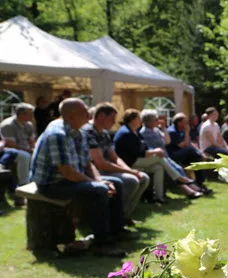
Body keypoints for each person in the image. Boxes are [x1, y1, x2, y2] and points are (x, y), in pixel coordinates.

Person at [30, 98, 125, 256]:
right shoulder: (58, 134)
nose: (89, 114)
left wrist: (100, 180)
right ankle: (102, 244)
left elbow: (87, 163)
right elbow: (68, 172)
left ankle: (116, 231)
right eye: (84, 111)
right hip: (52, 184)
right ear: (71, 115)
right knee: (99, 191)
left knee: (116, 183)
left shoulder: (78, 131)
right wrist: (97, 184)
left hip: (68, 179)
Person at [114, 109, 202, 203]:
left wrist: (155, 148)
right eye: (138, 118)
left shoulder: (135, 131)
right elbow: (137, 153)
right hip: (129, 163)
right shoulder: (127, 133)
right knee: (159, 158)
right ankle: (179, 178)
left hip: (139, 159)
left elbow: (160, 144)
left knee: (158, 167)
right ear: (132, 120)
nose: (140, 121)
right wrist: (154, 151)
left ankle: (159, 197)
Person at [83, 103, 150, 225]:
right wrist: (130, 172)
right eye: (112, 119)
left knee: (143, 178)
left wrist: (130, 170)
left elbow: (115, 157)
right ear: (102, 116)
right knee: (132, 180)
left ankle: (124, 216)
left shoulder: (103, 133)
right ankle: (116, 219)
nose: (114, 122)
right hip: (93, 172)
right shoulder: (88, 132)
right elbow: (100, 164)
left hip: (106, 169)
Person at [0, 103, 36, 205]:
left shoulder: (29, 125)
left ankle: (36, 184)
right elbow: (10, 145)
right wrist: (28, 150)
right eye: (30, 114)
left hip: (25, 149)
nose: (32, 116)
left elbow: (32, 140)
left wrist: (34, 149)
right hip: (9, 151)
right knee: (25, 156)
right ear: (21, 114)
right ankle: (23, 186)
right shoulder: (8, 125)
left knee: (36, 155)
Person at [167, 113, 210, 188]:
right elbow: (183, 145)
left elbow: (189, 143)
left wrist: (200, 153)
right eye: (185, 122)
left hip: (184, 154)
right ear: (179, 123)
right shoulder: (172, 131)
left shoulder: (182, 130)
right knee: (191, 150)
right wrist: (187, 132)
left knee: (197, 159)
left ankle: (200, 183)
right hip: (173, 155)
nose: (187, 124)